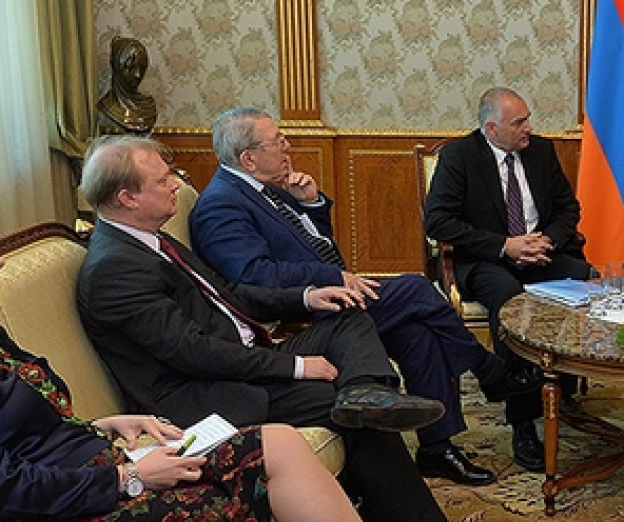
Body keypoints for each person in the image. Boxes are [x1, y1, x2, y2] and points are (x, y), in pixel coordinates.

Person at [0, 172, 386, 522]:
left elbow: (23, 431)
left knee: (278, 444)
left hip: (90, 477)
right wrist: (129, 479)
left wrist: (107, 425)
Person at [76, 135, 464, 522]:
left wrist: (306, 296)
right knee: (341, 406)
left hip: (238, 358)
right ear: (128, 198)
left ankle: (366, 392)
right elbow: (193, 352)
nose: (176, 184)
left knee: (347, 318)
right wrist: (296, 366)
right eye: (163, 179)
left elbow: (230, 294)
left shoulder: (150, 239)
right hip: (203, 394)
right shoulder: (116, 268)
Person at [189, 107, 541, 487]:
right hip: (302, 312)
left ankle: (437, 449)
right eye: (277, 141)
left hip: (331, 292)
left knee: (416, 333)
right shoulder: (221, 204)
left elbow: (314, 247)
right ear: (248, 158)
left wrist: (310, 204)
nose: (288, 146)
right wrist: (331, 277)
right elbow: (253, 276)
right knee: (417, 288)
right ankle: (488, 370)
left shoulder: (264, 189)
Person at [424, 86, 594, 472]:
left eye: (528, 119)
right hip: (488, 259)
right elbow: (438, 221)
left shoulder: (541, 151)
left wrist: (548, 240)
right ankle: (522, 420)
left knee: (586, 279)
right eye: (519, 122)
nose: (528, 128)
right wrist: (506, 246)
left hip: (540, 251)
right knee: (509, 296)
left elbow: (569, 208)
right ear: (491, 128)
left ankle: (563, 384)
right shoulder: (460, 156)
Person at [97, 36, 157, 135]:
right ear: (115, 66)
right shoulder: (105, 109)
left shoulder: (148, 107)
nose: (138, 74)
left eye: (142, 67)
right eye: (131, 67)